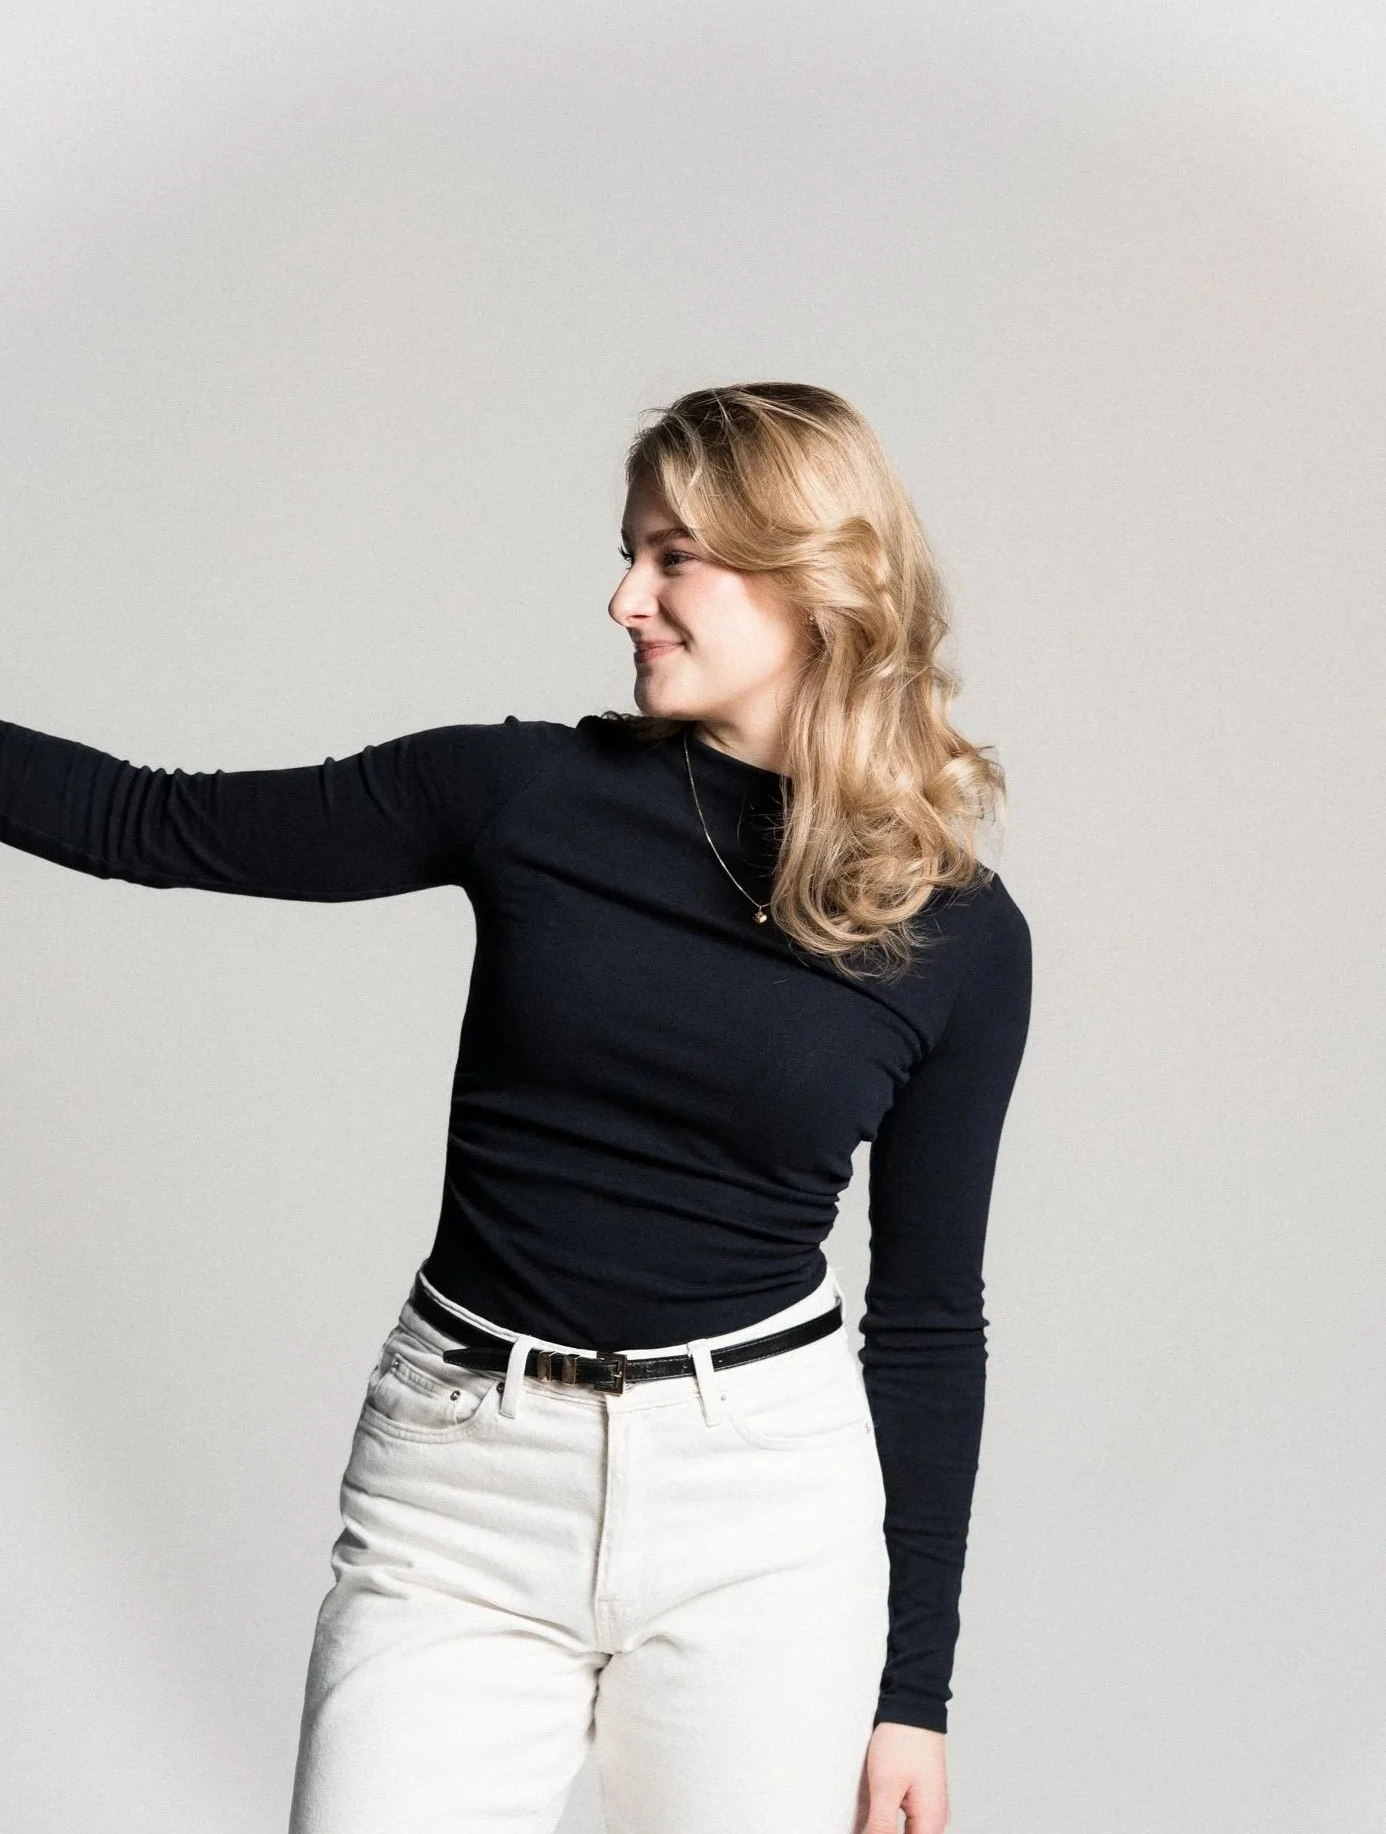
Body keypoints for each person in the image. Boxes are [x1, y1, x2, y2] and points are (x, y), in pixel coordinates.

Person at [0, 382, 1032, 1834]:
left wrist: (910, 1693)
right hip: (461, 1489)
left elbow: (928, 1321)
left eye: (675, 556)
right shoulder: (520, 792)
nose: (625, 597)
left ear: (815, 578)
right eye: (631, 551)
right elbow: (151, 823)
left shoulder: (962, 940)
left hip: (763, 1516)